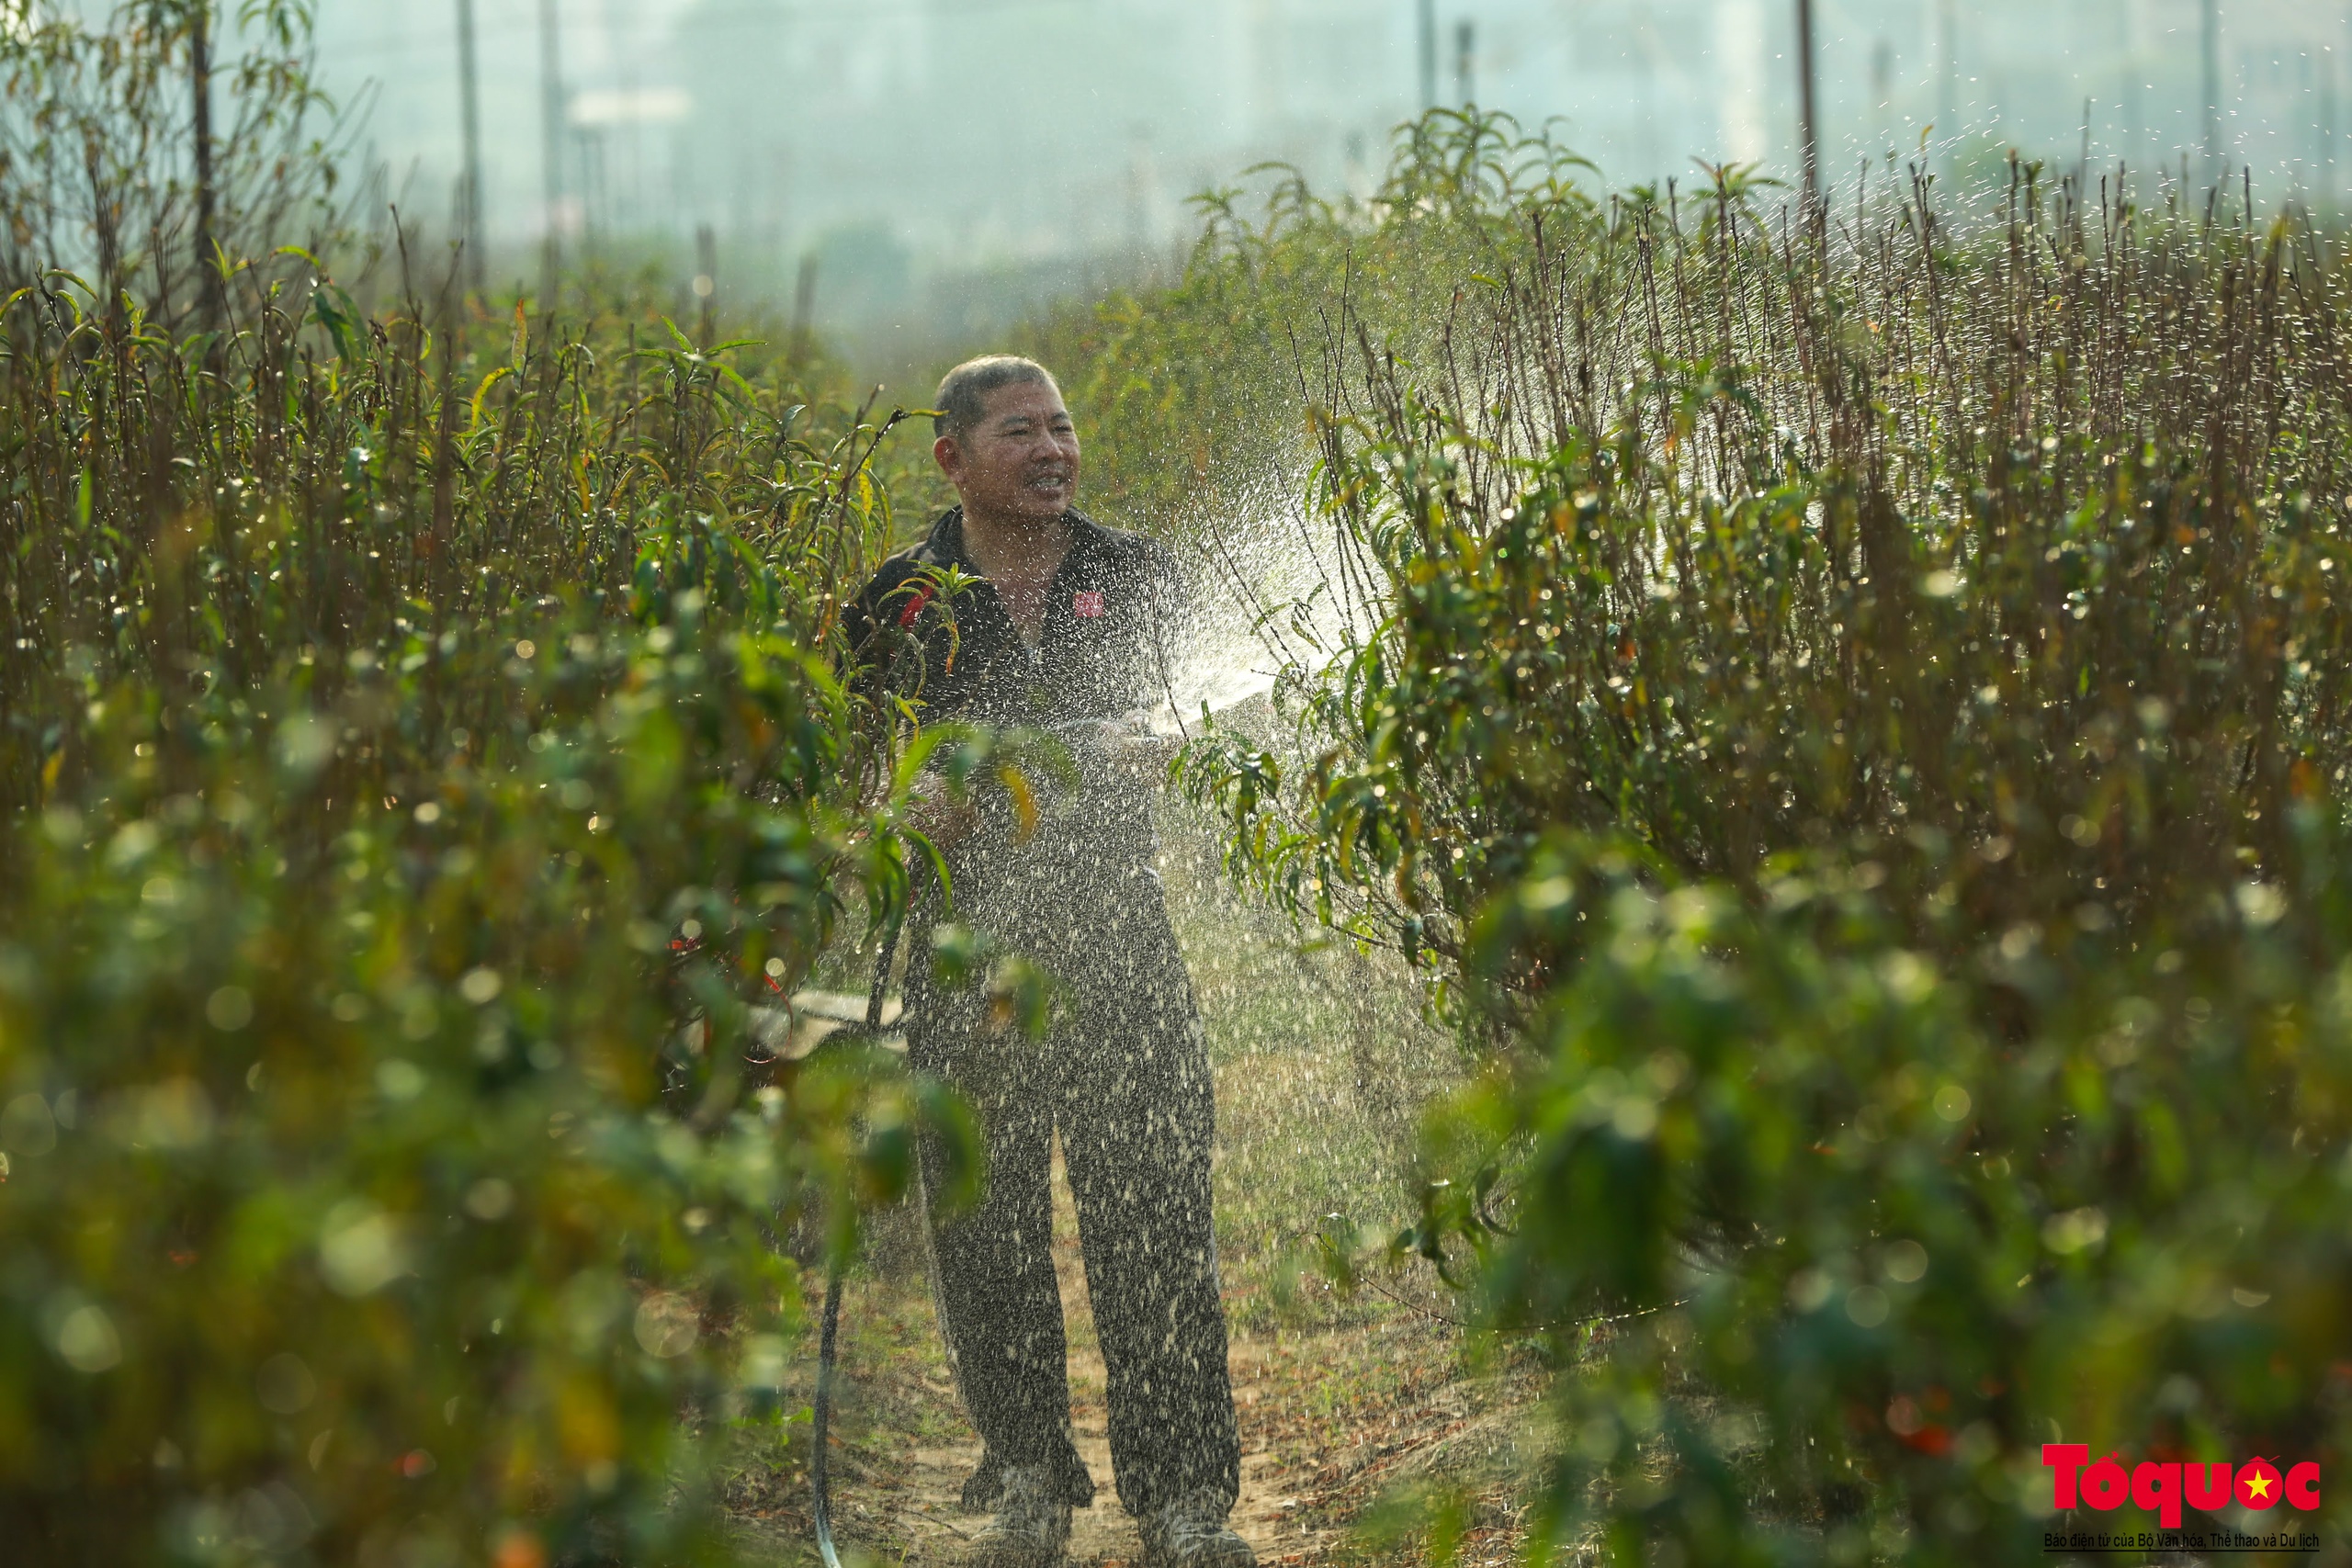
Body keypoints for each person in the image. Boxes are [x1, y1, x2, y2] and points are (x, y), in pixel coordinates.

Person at [842, 356, 1250, 1568]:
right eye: (1020, 432)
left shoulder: (1135, 576)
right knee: (986, 1228)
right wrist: (914, 813)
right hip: (965, 959)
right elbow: (856, 791)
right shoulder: (898, 605)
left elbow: (1207, 719)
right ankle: (1029, 1483)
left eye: (1063, 426)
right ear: (952, 458)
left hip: (1121, 940)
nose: (1053, 449)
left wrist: (1155, 742)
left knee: (1155, 1218)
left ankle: (1182, 1500)